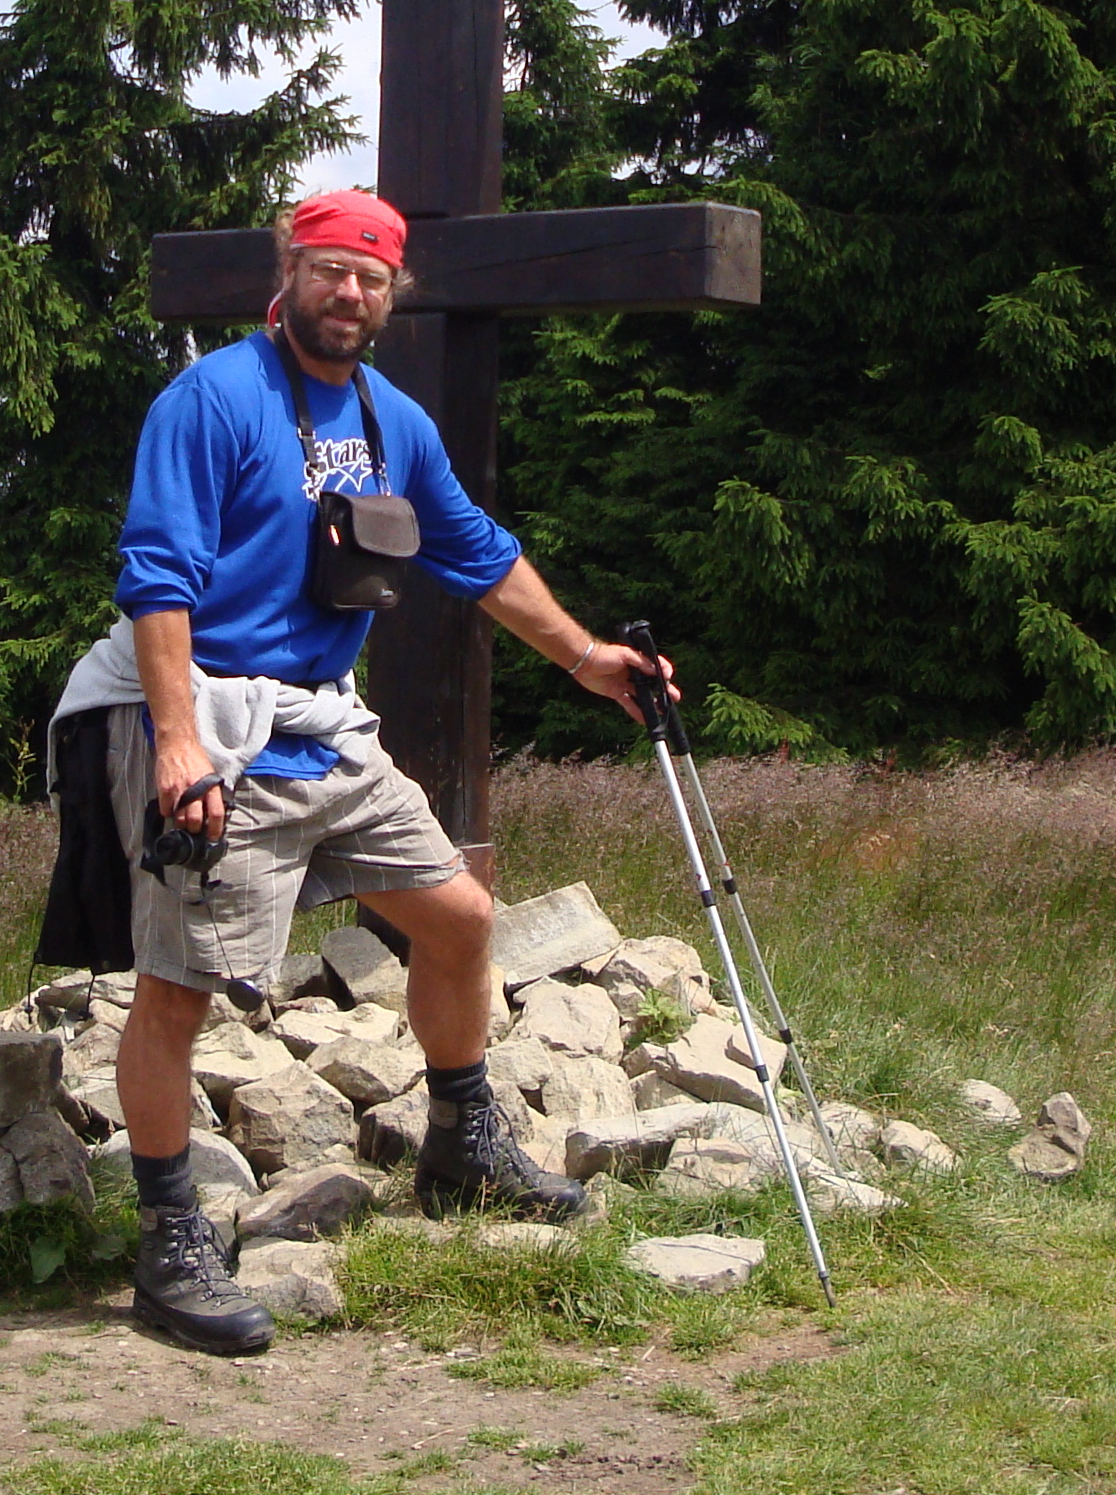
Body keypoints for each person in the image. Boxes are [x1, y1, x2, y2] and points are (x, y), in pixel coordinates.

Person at [44, 186, 677, 1356]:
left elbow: (476, 551)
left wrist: (587, 658)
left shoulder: (394, 421)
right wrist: (178, 743)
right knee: (179, 990)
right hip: (222, 730)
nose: (350, 292)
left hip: (328, 732)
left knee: (460, 918)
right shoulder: (211, 400)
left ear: (394, 292)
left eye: (372, 277)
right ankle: (170, 1242)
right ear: (288, 270)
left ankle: (459, 1145)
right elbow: (158, 577)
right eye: (331, 268)